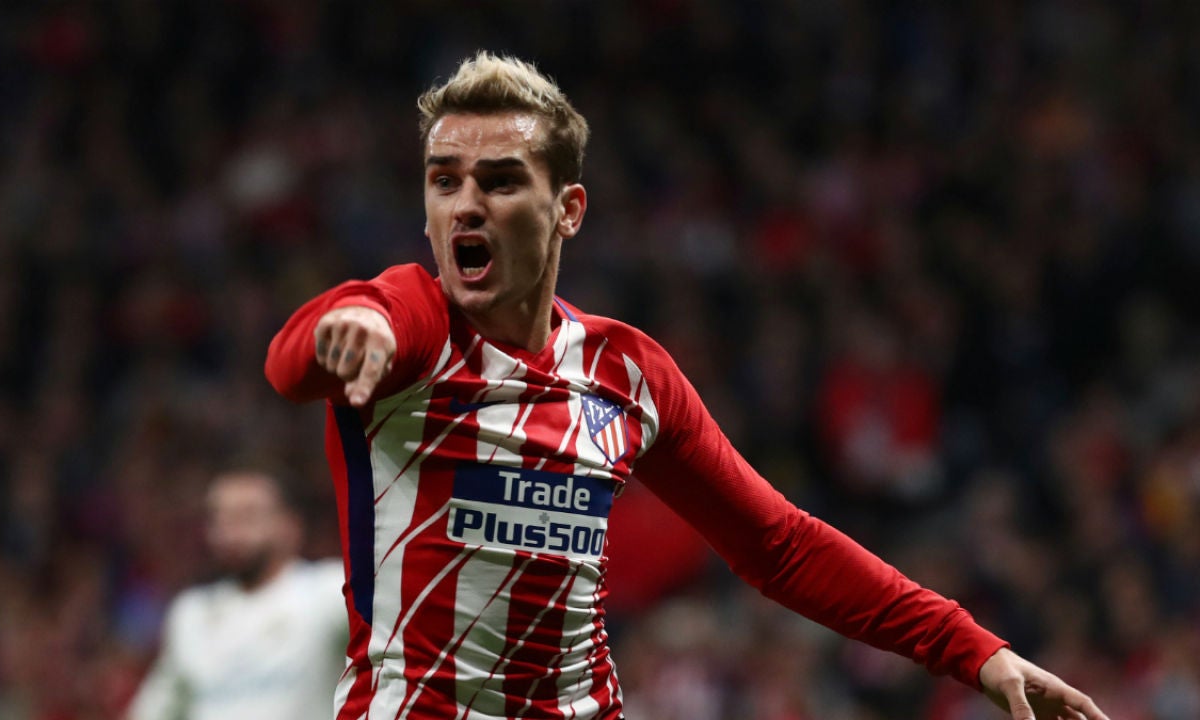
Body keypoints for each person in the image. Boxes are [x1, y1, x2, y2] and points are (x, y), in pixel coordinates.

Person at [265, 51, 1108, 720]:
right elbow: (292, 362)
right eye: (444, 180)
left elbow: (780, 546)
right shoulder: (412, 323)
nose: (466, 204)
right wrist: (353, 328)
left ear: (568, 210)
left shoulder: (626, 372)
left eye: (501, 180)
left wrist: (977, 652)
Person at [126, 469, 348, 720]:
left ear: (290, 525)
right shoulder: (192, 613)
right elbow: (155, 710)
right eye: (221, 518)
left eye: (248, 515)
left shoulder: (329, 592)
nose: (232, 531)